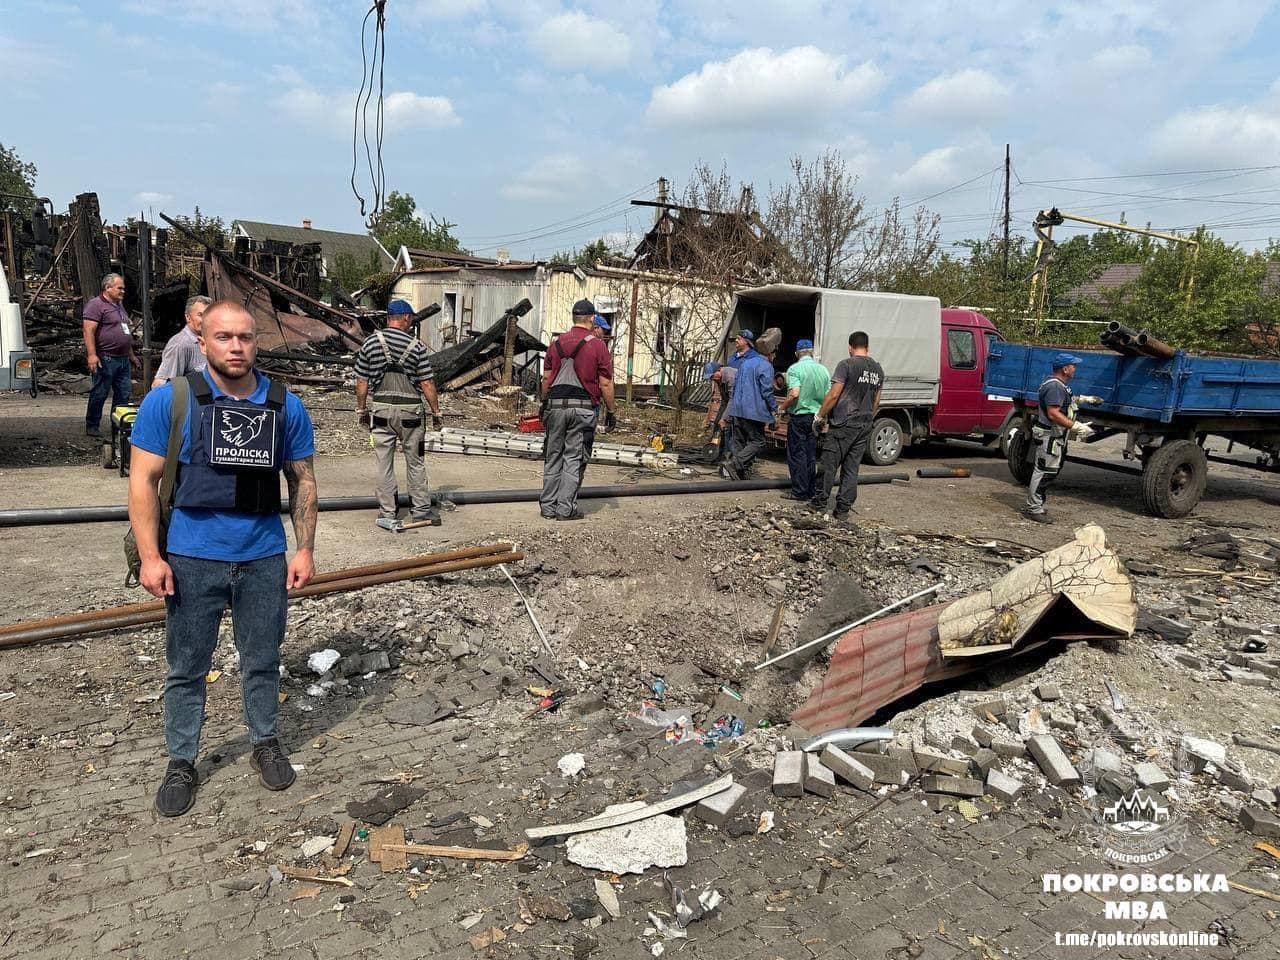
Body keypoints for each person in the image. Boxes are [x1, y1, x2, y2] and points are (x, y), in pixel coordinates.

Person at [127, 300, 318, 817]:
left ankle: (265, 742)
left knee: (262, 659)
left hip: (263, 559)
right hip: (191, 558)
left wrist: (303, 549)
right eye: (225, 337)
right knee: (187, 667)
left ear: (257, 342)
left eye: (246, 337)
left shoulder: (285, 405)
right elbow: (142, 482)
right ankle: (181, 761)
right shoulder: (172, 401)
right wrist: (151, 557)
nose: (236, 347)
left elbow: (301, 481)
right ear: (202, 340)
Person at [354, 299, 443, 531]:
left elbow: (361, 382)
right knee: (415, 462)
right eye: (411, 318)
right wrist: (436, 412)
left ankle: (387, 513)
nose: (412, 321)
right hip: (411, 413)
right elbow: (427, 383)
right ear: (405, 318)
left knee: (384, 463)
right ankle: (421, 511)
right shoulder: (417, 347)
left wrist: (362, 409)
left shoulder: (370, 343)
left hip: (381, 410)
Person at [540, 298, 616, 520]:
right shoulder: (597, 345)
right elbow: (605, 383)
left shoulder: (556, 343)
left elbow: (546, 380)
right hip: (582, 409)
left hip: (555, 405)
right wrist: (611, 411)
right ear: (592, 318)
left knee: (553, 456)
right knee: (573, 457)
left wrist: (544, 404)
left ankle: (548, 508)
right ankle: (566, 509)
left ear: (573, 318)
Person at [811, 331, 884, 522]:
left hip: (843, 424)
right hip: (864, 424)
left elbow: (834, 395)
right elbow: (877, 400)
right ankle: (842, 510)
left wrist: (820, 415)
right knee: (851, 469)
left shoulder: (846, 365)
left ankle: (819, 505)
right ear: (867, 347)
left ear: (850, 347)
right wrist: (867, 417)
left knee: (828, 465)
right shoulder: (877, 369)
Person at [1023, 353, 1081, 524]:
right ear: (1065, 369)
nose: (1075, 369)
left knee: (1048, 470)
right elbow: (1053, 413)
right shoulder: (1055, 387)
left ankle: (1037, 504)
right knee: (1043, 471)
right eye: (1073, 366)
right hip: (1049, 435)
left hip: (1054, 435)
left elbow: (1063, 402)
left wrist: (1083, 400)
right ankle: (1034, 508)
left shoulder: (1057, 385)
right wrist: (1075, 426)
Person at [84, 273, 139, 436]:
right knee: (100, 392)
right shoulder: (96, 305)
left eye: (123, 288)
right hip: (105, 357)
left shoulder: (118, 305)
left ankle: (118, 426)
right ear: (107, 288)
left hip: (122, 359)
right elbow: (88, 331)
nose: (123, 291)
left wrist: (131, 355)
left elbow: (124, 331)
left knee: (123, 393)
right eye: (119, 288)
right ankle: (92, 425)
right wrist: (92, 355)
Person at [778, 338, 831, 501]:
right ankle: (810, 490)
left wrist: (782, 408)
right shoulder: (824, 370)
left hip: (800, 417)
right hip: (816, 417)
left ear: (796, 354)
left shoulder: (794, 369)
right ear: (812, 352)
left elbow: (794, 393)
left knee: (797, 454)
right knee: (810, 455)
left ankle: (799, 491)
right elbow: (829, 396)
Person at [720, 329, 776, 480]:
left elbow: (736, 386)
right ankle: (735, 463)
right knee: (758, 441)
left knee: (739, 441)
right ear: (771, 353)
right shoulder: (765, 366)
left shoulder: (745, 363)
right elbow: (766, 390)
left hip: (738, 410)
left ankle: (739, 474)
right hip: (754, 412)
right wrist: (774, 409)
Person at [152, 295, 211, 388]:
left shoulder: (211, 340)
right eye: (200, 315)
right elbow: (160, 385)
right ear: (188, 317)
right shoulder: (180, 345)